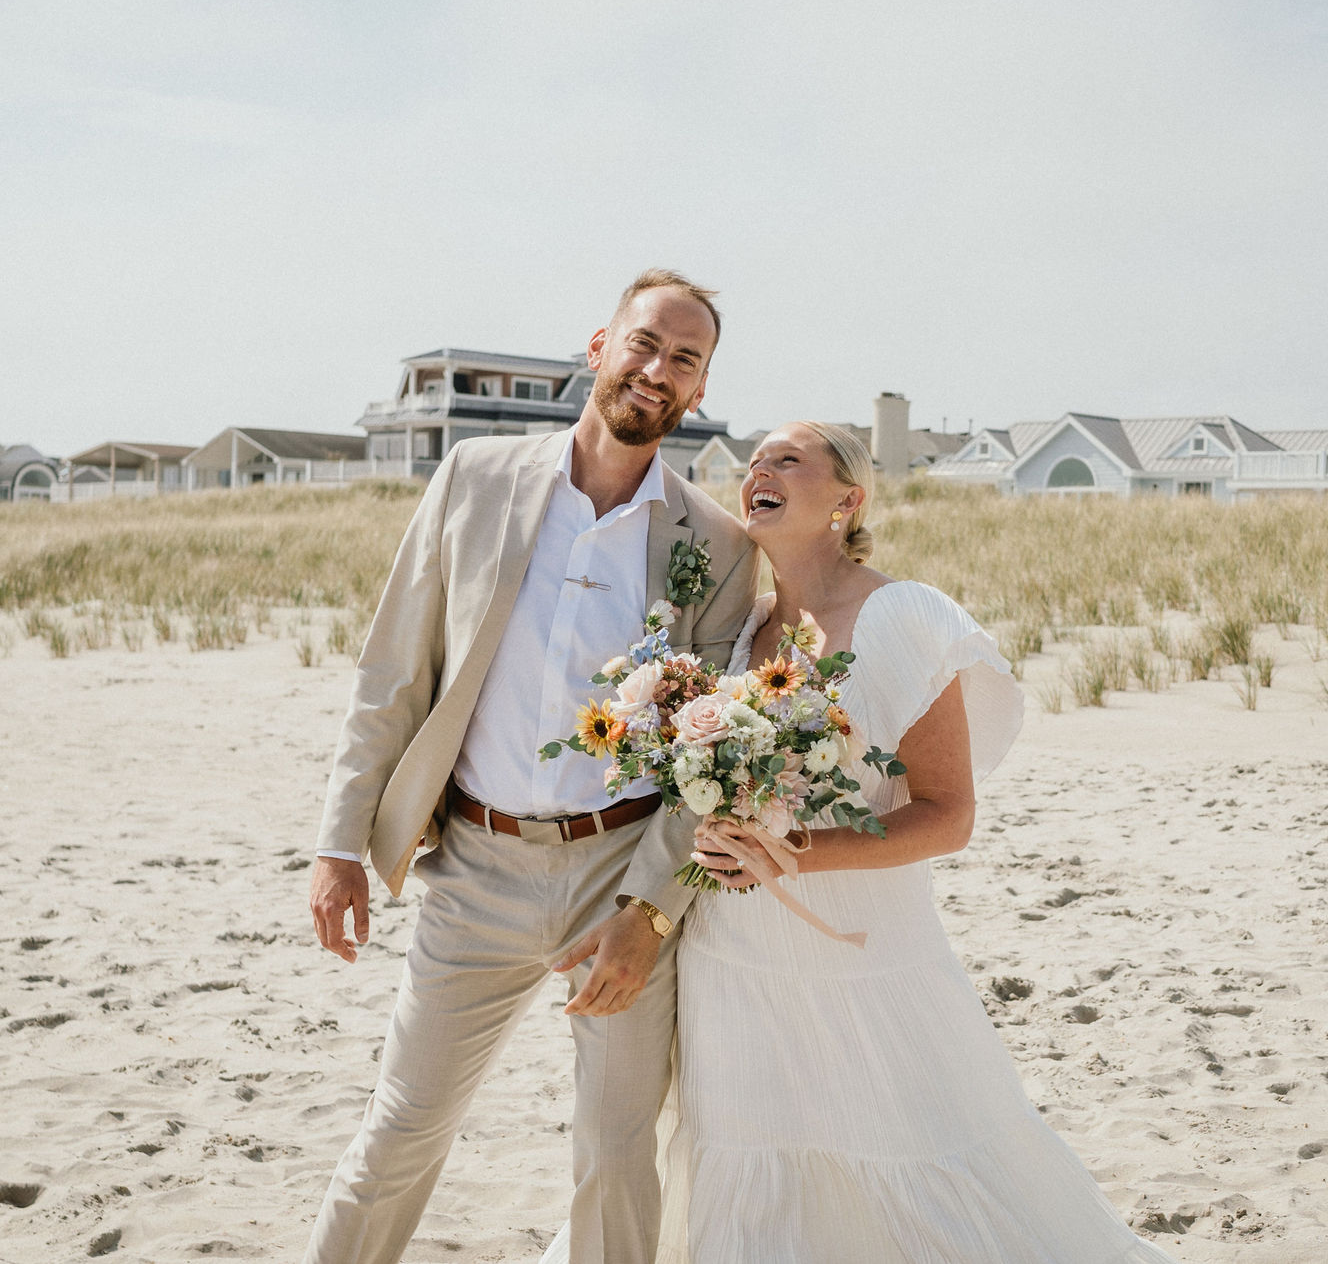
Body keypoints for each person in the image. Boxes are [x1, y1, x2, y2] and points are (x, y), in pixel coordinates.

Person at [301, 270, 760, 1264]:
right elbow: (394, 671)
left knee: (613, 1158)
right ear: (597, 347)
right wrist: (340, 841)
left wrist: (651, 913)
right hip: (472, 871)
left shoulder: (717, 547)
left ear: (699, 390)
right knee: (397, 1136)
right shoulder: (474, 479)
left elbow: (710, 764)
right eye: (643, 343)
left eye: (685, 358)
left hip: (619, 874)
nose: (657, 369)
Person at [669, 421, 1179, 1263]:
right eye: (755, 459)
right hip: (731, 957)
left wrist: (798, 850)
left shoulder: (900, 614)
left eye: (787, 459)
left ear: (847, 499)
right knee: (749, 1159)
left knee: (909, 1146)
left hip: (865, 953)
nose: (758, 469)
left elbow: (948, 811)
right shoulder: (735, 627)